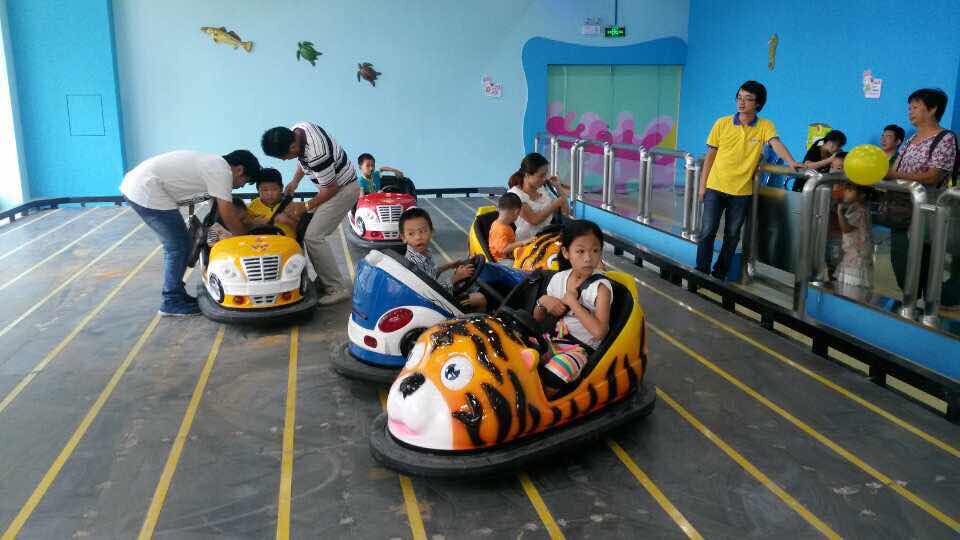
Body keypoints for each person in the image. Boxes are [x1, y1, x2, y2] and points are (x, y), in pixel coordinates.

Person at [120, 149, 261, 316]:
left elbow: (217, 211)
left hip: (141, 185)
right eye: (244, 182)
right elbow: (227, 212)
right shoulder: (221, 170)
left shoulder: (214, 166)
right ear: (239, 170)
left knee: (182, 244)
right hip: (146, 190)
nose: (240, 186)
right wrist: (245, 242)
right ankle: (171, 301)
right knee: (177, 247)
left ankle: (177, 294)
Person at [697, 80, 801, 280]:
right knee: (707, 231)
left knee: (732, 236)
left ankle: (719, 274)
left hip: (742, 192)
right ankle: (700, 272)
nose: (741, 102)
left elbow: (775, 143)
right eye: (739, 98)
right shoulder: (722, 123)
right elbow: (710, 156)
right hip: (715, 187)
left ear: (758, 103)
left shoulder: (765, 126)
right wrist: (703, 186)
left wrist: (791, 162)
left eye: (747, 99)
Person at [261, 122, 359, 305]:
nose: (284, 161)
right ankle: (325, 277)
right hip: (332, 187)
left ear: (292, 146)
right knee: (308, 228)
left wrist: (304, 206)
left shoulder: (317, 154)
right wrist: (294, 182)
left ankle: (336, 288)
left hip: (344, 190)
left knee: (314, 236)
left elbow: (330, 189)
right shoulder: (299, 129)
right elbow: (301, 160)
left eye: (284, 157)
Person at [886, 88, 959, 309]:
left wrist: (895, 176)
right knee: (901, 261)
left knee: (925, 262)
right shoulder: (910, 140)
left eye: (915, 107)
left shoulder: (945, 138)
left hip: (927, 210)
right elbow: (896, 169)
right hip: (901, 209)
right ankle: (911, 301)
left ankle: (926, 308)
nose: (910, 111)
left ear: (933, 109)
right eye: (909, 107)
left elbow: (933, 176)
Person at [533, 220, 612, 395]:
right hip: (551, 340)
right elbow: (537, 319)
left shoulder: (600, 288)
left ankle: (542, 405)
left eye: (595, 251)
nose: (588, 258)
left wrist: (573, 302)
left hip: (579, 349)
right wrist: (543, 301)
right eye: (580, 251)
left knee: (552, 374)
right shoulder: (558, 278)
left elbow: (600, 332)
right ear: (566, 252)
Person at [398, 208, 486, 311]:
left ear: (431, 232)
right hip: (434, 305)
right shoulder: (414, 264)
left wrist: (450, 265)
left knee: (470, 289)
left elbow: (431, 273)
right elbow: (434, 293)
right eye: (411, 234)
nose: (418, 237)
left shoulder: (423, 253)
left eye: (422, 231)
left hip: (435, 297)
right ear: (403, 237)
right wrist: (456, 278)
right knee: (480, 298)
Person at [507, 152, 569, 241]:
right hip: (528, 242)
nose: (544, 179)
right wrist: (554, 204)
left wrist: (558, 187)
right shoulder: (515, 195)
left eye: (546, 174)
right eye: (541, 175)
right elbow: (534, 220)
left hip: (548, 237)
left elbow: (565, 212)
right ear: (527, 175)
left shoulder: (542, 189)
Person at [835, 182, 873, 301]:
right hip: (853, 256)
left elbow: (846, 229)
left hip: (855, 258)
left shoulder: (859, 211)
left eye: (850, 190)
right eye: (846, 189)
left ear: (862, 195)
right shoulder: (858, 209)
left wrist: (839, 212)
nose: (846, 192)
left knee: (851, 290)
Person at [245, 168, 302, 238]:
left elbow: (304, 230)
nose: (270, 193)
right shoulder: (251, 207)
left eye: (274, 189)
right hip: (261, 244)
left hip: (288, 243)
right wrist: (254, 223)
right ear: (257, 189)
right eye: (265, 190)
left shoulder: (291, 206)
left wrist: (288, 221)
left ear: (281, 188)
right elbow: (243, 230)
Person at [489, 192, 532, 264]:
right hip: (501, 261)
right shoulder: (500, 229)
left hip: (508, 256)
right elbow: (503, 249)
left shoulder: (504, 225)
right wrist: (523, 242)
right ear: (516, 212)